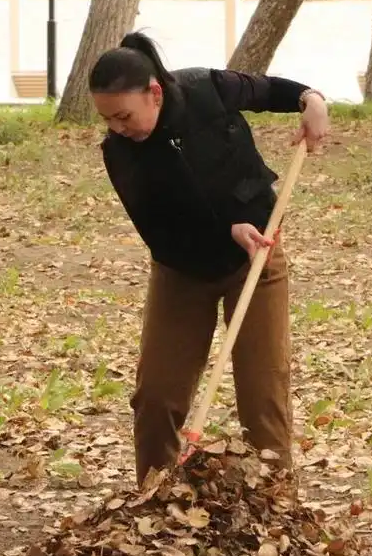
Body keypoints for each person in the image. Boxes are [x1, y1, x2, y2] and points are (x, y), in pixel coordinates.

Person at [88, 31, 330, 484]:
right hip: (183, 268)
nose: (118, 127)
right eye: (108, 119)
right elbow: (161, 232)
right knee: (157, 395)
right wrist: (227, 229)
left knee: (263, 395)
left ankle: (275, 503)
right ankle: (153, 499)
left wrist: (309, 97)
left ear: (155, 93)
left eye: (123, 115)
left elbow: (265, 90)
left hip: (256, 261)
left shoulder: (206, 88)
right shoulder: (120, 153)